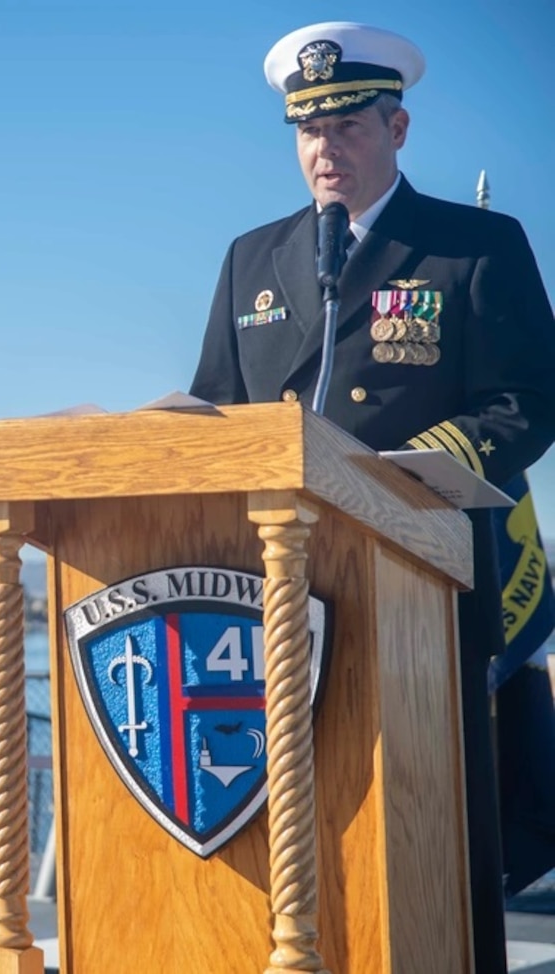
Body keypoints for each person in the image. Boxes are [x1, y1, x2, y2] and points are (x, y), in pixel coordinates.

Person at [188, 22, 555, 974]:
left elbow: (530, 401)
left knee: (439, 807)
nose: (324, 149)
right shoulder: (252, 259)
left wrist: (398, 475)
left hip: (431, 573)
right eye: (307, 131)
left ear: (398, 127)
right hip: (277, 587)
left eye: (347, 126)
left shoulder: (472, 245)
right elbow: (216, 407)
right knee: (297, 804)